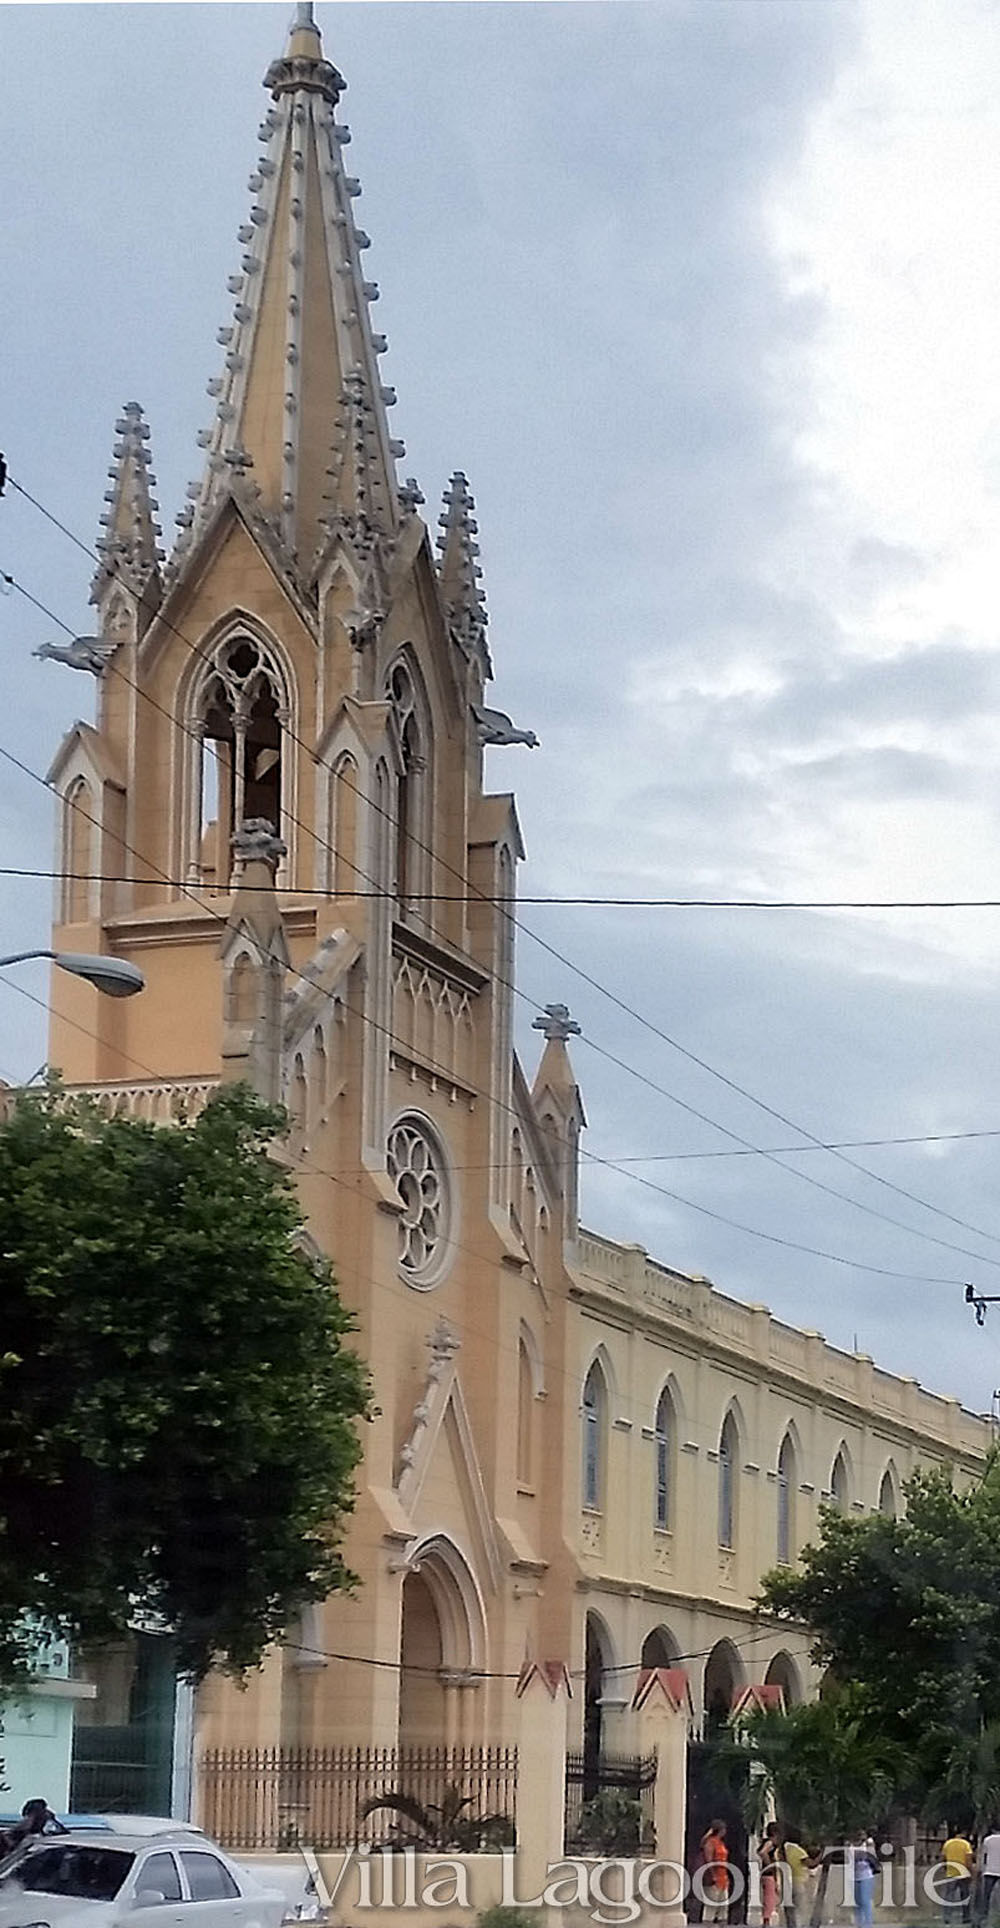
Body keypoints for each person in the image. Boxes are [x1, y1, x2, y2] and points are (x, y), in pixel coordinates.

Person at [700, 1820, 731, 1925]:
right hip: (714, 1877)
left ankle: (722, 1923)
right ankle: (708, 1923)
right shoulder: (710, 1842)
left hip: (723, 1876)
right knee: (711, 1904)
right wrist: (713, 1875)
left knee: (723, 1905)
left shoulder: (721, 1843)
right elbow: (708, 1860)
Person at [942, 1827, 974, 1922]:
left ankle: (947, 1917)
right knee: (965, 1895)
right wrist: (970, 1872)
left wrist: (946, 1868)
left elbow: (943, 1858)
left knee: (949, 1896)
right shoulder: (966, 1844)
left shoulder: (947, 1844)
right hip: (963, 1873)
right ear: (962, 1834)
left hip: (951, 1873)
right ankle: (966, 1917)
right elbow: (968, 1860)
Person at [782, 1834, 812, 1928]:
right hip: (799, 1881)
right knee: (800, 1907)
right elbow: (811, 1864)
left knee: (790, 1909)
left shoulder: (784, 1849)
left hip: (787, 1881)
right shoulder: (798, 1851)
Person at [851, 1829, 879, 1928]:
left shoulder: (868, 1842)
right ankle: (859, 1924)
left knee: (865, 1900)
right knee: (857, 1902)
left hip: (866, 1875)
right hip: (855, 1876)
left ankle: (867, 1924)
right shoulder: (851, 1844)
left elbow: (868, 1855)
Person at [760, 1822, 782, 1927]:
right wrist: (769, 1864)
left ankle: (766, 1919)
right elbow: (762, 1852)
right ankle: (766, 1920)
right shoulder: (770, 1843)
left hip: (767, 1873)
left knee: (769, 1896)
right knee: (770, 1897)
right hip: (768, 1873)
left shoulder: (768, 1842)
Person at [977, 1825, 1000, 1922]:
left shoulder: (987, 1840)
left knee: (986, 1895)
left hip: (989, 1870)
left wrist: (981, 1868)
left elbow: (983, 1856)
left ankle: (983, 1916)